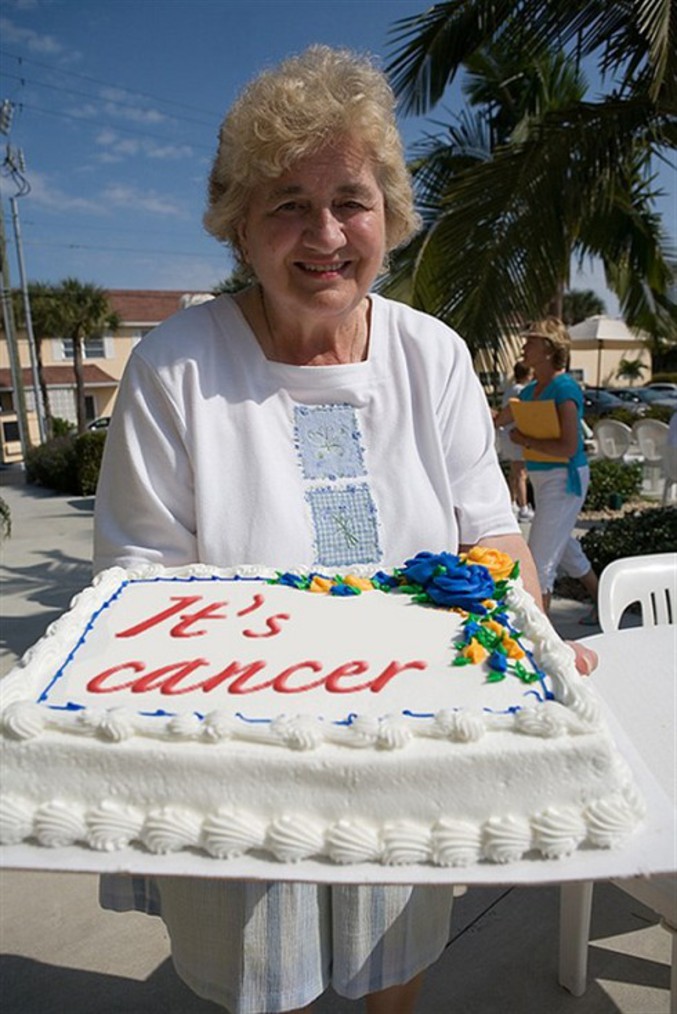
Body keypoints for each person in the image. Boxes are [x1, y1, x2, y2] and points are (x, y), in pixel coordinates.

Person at [93, 48, 594, 1014]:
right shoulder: (174, 365)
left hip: (405, 730)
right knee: (256, 978)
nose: (323, 233)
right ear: (238, 227)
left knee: (392, 950)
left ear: (389, 218)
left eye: (350, 200)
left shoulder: (432, 353)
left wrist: (524, 634)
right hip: (235, 747)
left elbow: (491, 525)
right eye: (285, 202)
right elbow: (139, 579)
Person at [495, 318, 599, 618]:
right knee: (565, 549)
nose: (524, 346)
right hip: (543, 480)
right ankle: (604, 600)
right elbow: (496, 419)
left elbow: (568, 447)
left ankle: (542, 642)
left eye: (532, 341)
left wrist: (523, 438)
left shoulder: (565, 388)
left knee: (538, 562)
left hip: (563, 481)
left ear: (549, 348)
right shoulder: (529, 393)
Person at [496, 360, 534, 520]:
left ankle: (512, 503)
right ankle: (524, 506)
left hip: (508, 434)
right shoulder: (522, 391)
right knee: (521, 473)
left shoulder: (510, 389)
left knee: (514, 472)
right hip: (516, 435)